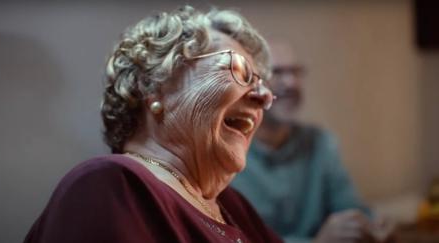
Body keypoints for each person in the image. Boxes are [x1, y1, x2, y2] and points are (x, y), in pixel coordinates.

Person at [23, 6, 283, 243]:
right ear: (156, 85)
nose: (264, 97)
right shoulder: (111, 186)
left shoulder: (235, 207)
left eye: (261, 85)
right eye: (239, 71)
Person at [231, 41, 379, 243]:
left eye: (296, 72)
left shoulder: (321, 143)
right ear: (249, 85)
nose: (291, 83)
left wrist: (371, 227)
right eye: (277, 72)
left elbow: (349, 208)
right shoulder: (229, 155)